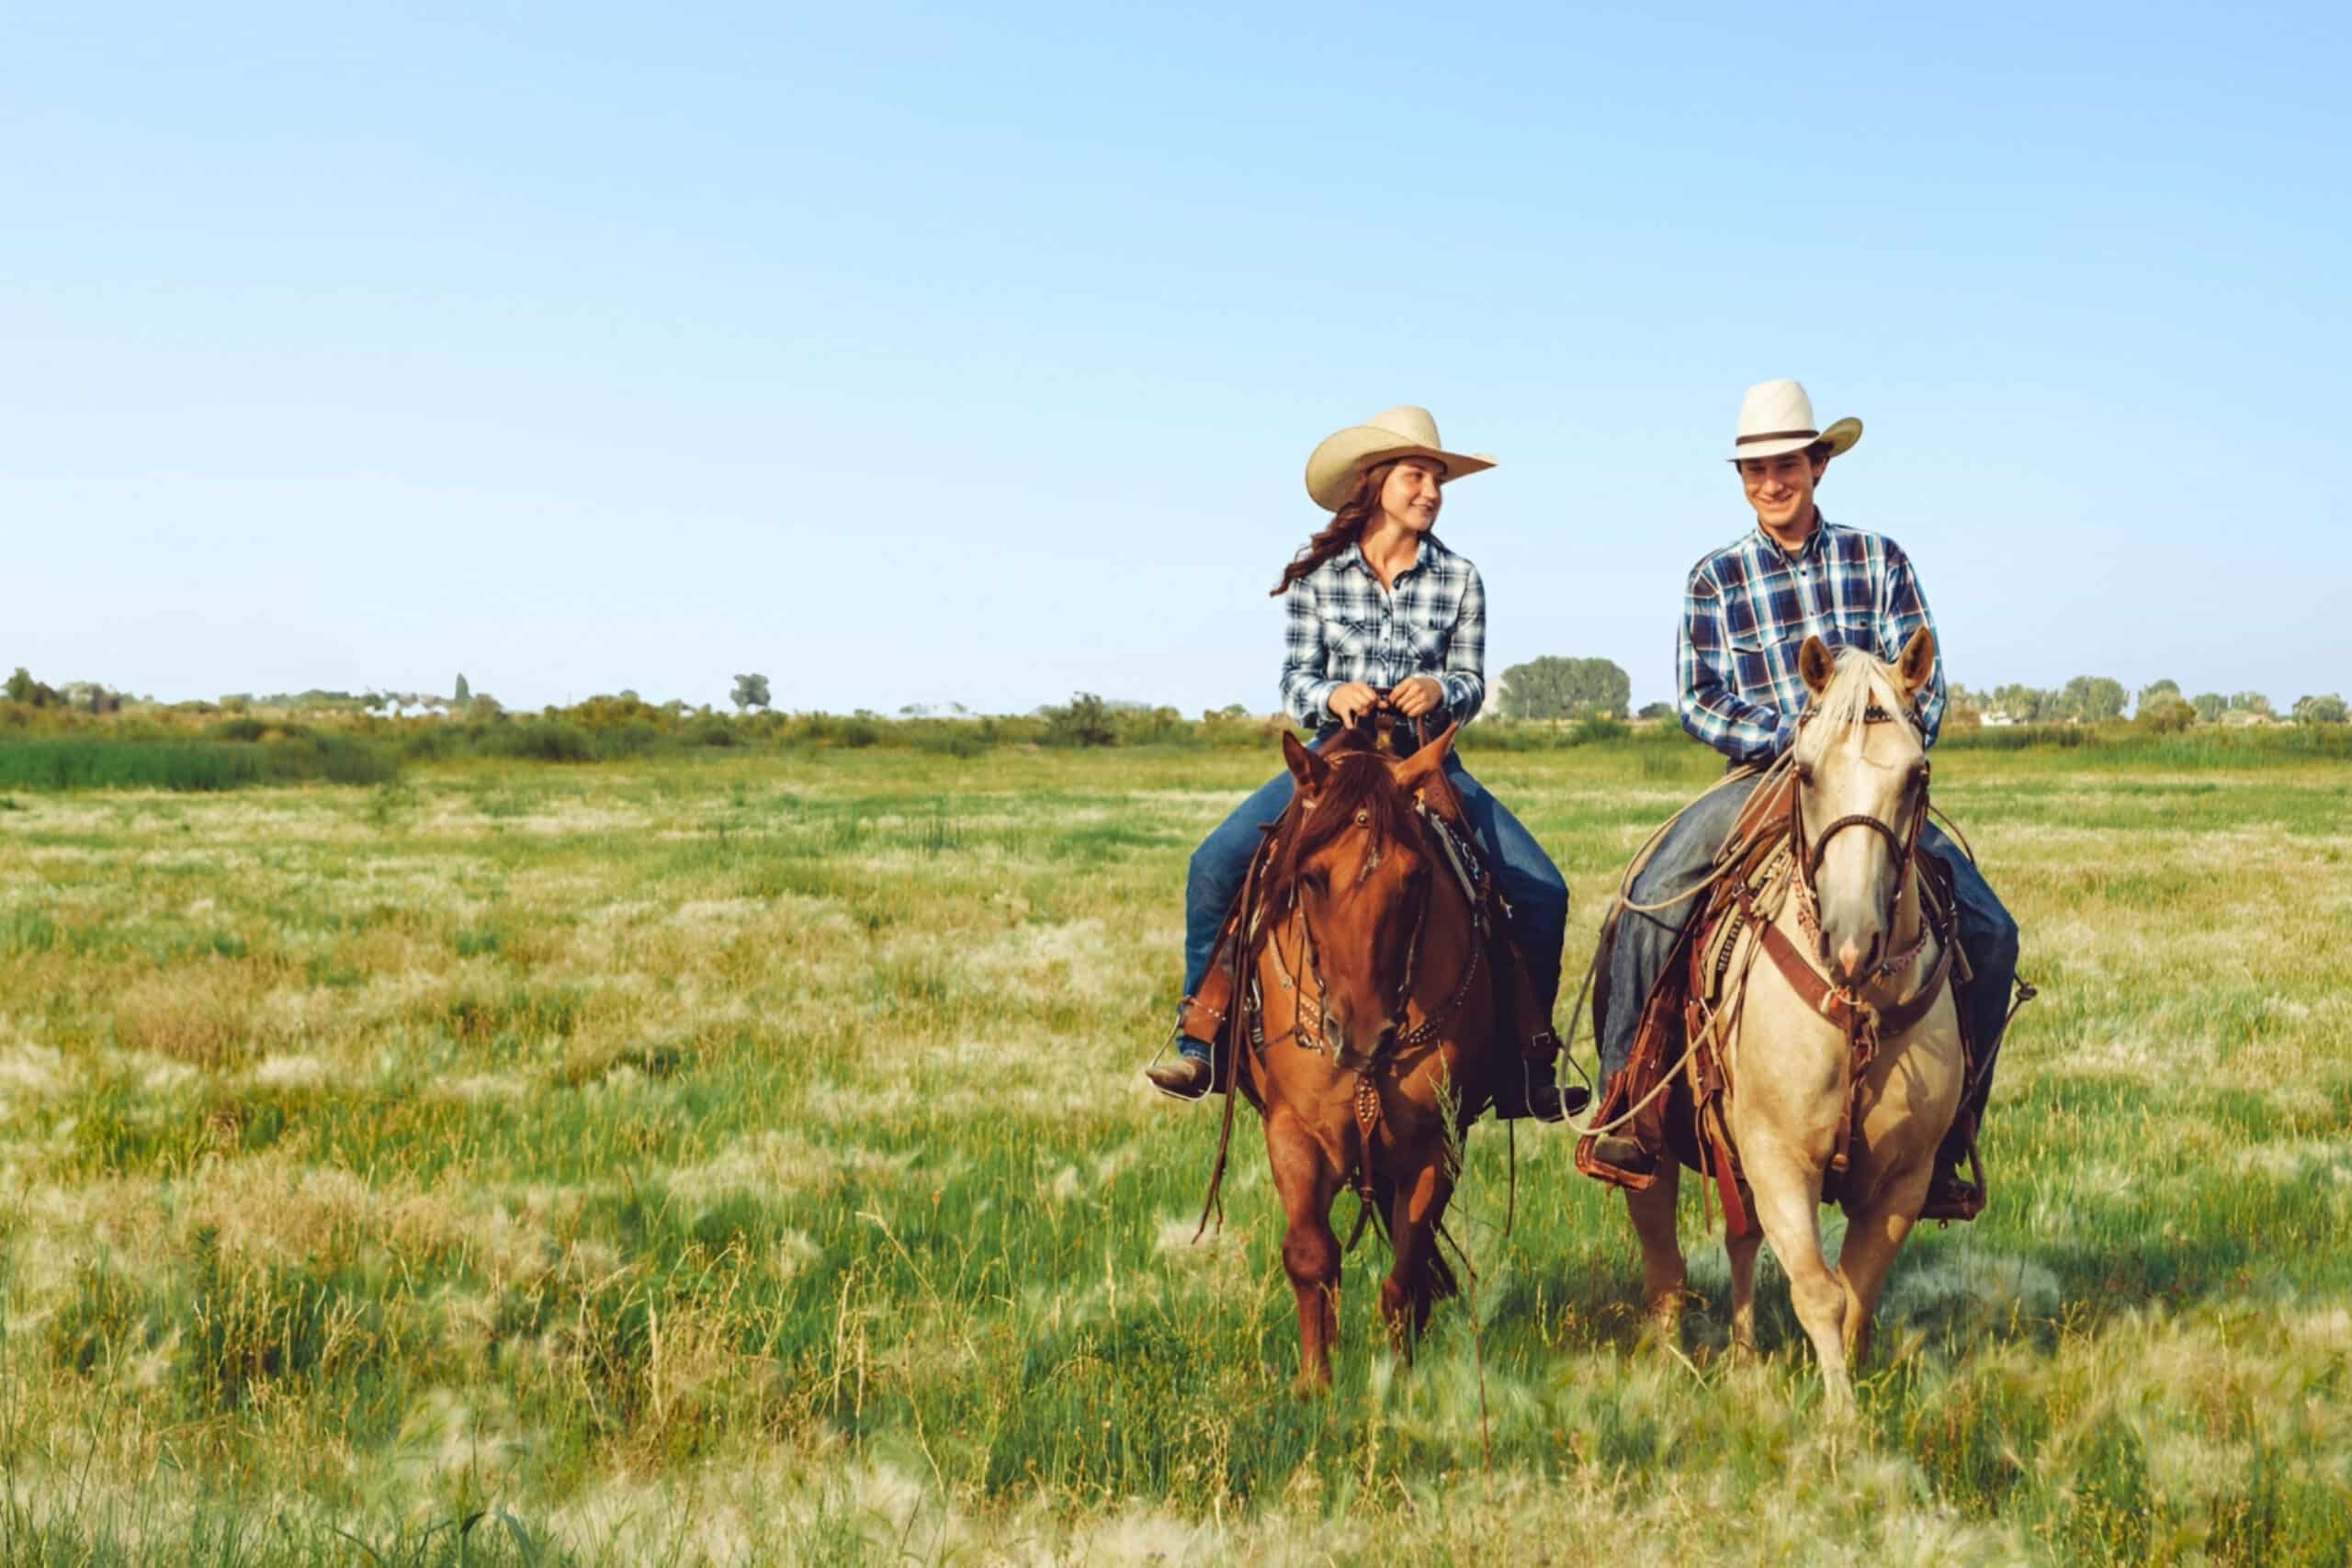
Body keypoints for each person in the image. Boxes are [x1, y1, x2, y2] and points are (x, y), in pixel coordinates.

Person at [1590, 379, 2020, 1218]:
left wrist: (1872, 744)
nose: (1769, 483)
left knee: (1993, 931)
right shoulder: (1715, 577)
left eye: (1784, 464)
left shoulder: (1880, 559)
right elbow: (1698, 698)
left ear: (1817, 465)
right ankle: (1628, 1102)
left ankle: (1950, 1130)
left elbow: (1924, 687)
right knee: (1647, 900)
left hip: (1865, 787)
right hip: (1760, 778)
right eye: (1753, 469)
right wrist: (1793, 738)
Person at [1143, 406, 1574, 1120]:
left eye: (1438, 479)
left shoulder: (1461, 578)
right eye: (1417, 475)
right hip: (1334, 761)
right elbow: (1294, 680)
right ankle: (1204, 1035)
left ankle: (1525, 1058)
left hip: (1422, 762)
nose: (1431, 491)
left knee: (1541, 890)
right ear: (1374, 483)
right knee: (1215, 862)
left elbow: (1471, 678)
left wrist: (1440, 688)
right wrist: (1330, 691)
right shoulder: (1320, 579)